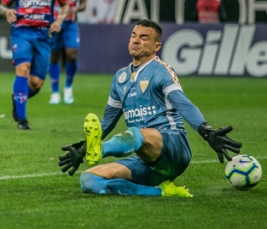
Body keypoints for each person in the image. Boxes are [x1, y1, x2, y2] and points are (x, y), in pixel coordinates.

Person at [58, 19, 242, 197]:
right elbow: (107, 121)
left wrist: (206, 131)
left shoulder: (161, 70)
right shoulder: (120, 77)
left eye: (144, 37)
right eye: (133, 35)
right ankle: (162, 192)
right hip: (144, 158)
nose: (136, 40)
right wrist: (81, 149)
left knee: (136, 132)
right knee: (88, 180)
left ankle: (99, 149)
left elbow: (183, 103)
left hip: (173, 147)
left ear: (156, 47)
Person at [0, 0, 69, 130]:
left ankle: (17, 98)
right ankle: (22, 120)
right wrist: (6, 12)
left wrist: (59, 21)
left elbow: (66, 5)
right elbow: (2, 5)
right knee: (23, 68)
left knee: (37, 84)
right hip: (21, 31)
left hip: (44, 34)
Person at [47, 0, 88, 105]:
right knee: (54, 56)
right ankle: (55, 92)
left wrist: (76, 9)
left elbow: (83, 3)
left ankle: (68, 87)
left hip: (70, 22)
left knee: (71, 54)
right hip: (54, 22)